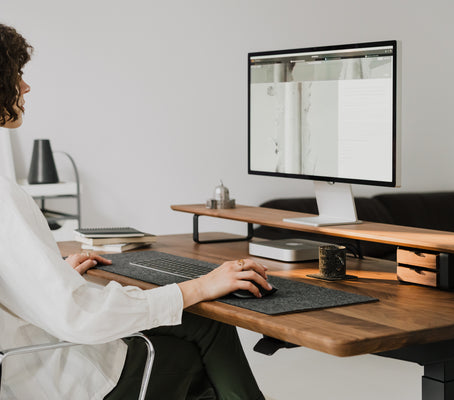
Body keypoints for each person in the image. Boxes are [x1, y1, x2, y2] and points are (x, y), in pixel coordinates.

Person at [0, 23, 269, 400]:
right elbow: (78, 318)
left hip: (29, 366)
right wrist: (201, 284)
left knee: (196, 329)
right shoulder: (4, 198)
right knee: (203, 337)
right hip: (67, 381)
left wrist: (51, 278)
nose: (25, 87)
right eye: (16, 75)